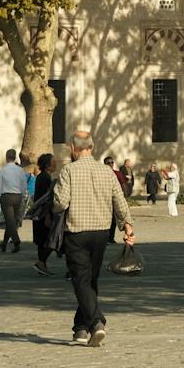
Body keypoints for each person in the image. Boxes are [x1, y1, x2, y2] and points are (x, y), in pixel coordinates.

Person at [51, 128, 134, 347]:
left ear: (72, 148)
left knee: (81, 279)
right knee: (90, 279)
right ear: (92, 147)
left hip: (76, 231)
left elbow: (60, 203)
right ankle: (80, 328)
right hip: (101, 232)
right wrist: (127, 226)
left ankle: (97, 322)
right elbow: (119, 199)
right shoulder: (107, 171)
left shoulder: (68, 171)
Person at [0, 149, 30, 253]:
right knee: (12, 221)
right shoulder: (20, 170)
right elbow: (23, 184)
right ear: (15, 158)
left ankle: (16, 240)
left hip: (6, 197)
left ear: (6, 157)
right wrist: (23, 196)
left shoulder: (3, 170)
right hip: (17, 196)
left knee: (10, 221)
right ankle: (4, 244)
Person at [28, 153, 59, 276]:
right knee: (51, 239)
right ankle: (41, 262)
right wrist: (47, 216)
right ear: (47, 165)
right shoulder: (45, 178)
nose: (56, 164)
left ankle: (42, 264)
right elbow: (46, 199)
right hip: (43, 214)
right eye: (53, 162)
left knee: (42, 241)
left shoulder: (42, 176)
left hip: (39, 214)